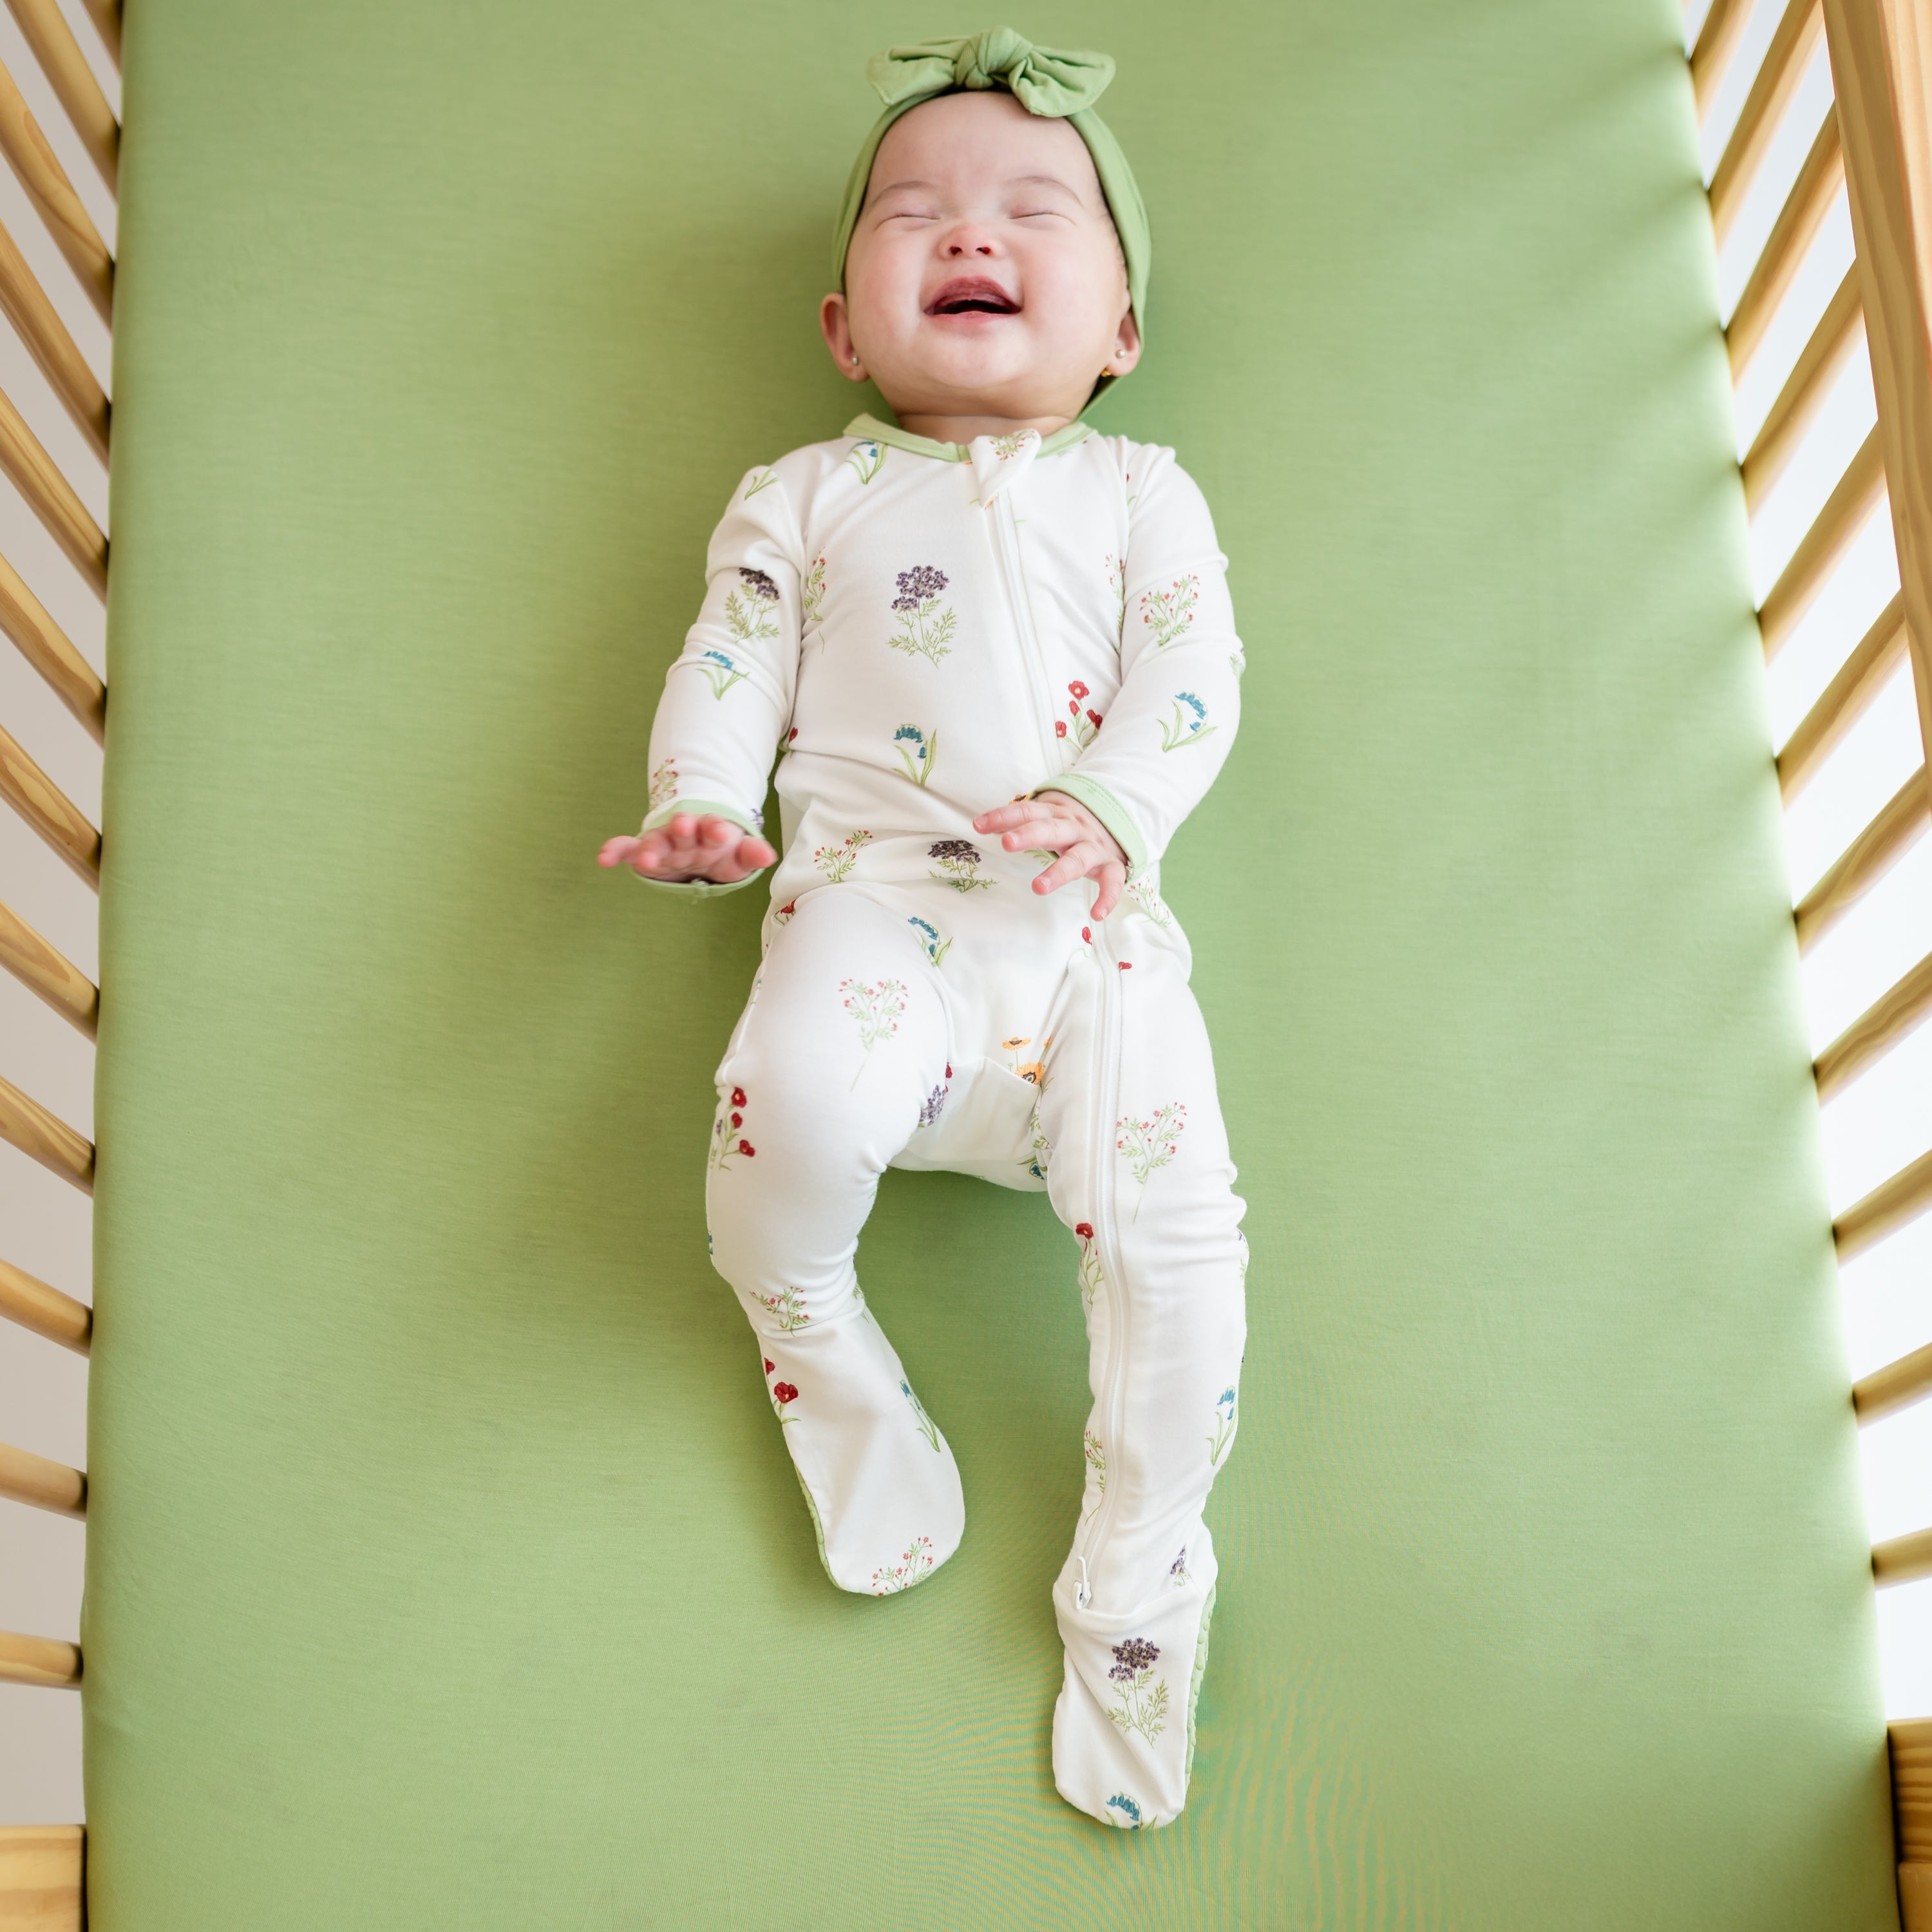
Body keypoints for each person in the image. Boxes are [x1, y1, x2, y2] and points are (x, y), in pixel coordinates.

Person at [596, 28, 1249, 1831]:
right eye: (916, 216)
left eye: (1037, 210)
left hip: (1089, 945)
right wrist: (702, 799)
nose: (973, 231)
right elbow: (728, 654)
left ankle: (1138, 1569)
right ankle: (815, 1331)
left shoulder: (1142, 493)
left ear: (1119, 328)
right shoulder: (805, 493)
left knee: (1185, 1250)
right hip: (874, 922)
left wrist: (1114, 805)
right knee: (781, 1107)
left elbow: (1198, 675)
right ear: (840, 327)